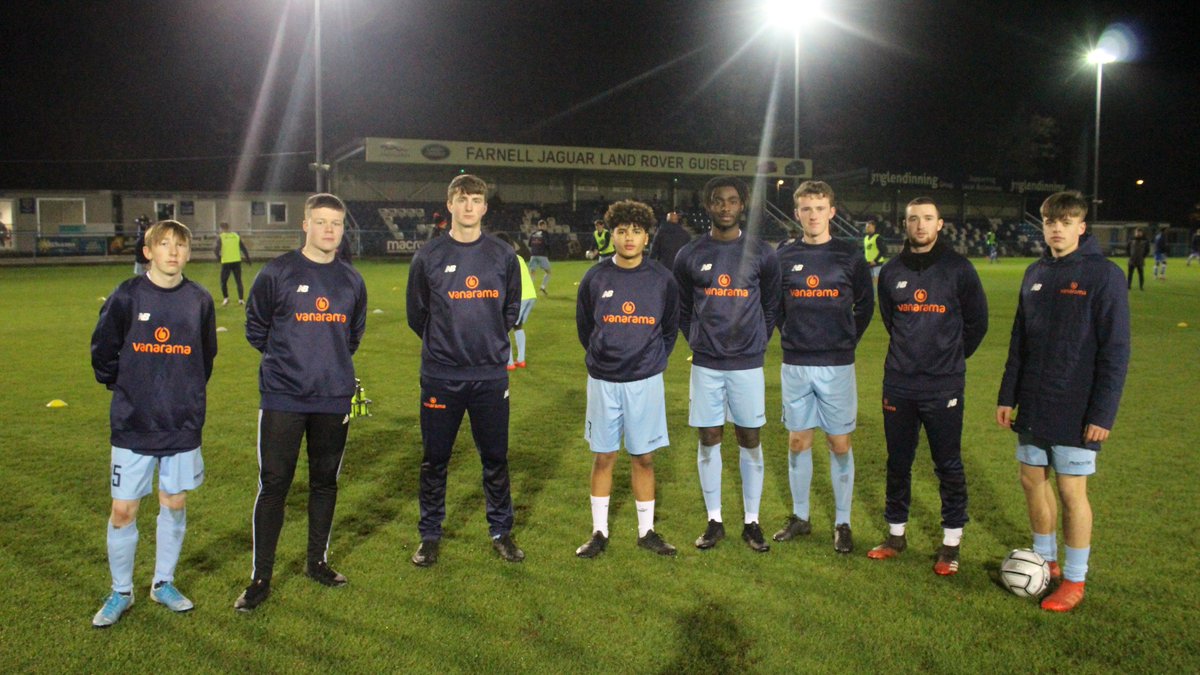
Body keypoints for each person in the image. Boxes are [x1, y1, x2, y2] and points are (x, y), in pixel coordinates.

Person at [996, 191, 1130, 612]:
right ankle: (1047, 561)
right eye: (1051, 221)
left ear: (1081, 226)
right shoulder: (1035, 272)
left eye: (1066, 221)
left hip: (1076, 403)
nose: (1057, 227)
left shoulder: (1103, 275)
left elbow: (1116, 349)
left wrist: (1103, 412)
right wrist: (1007, 394)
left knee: (1072, 490)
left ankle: (1074, 580)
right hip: (1034, 400)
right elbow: (1020, 339)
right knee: (1031, 479)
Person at [235, 193, 368, 611]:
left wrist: (326, 366)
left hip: (332, 396)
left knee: (324, 482)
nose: (330, 230)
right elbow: (256, 328)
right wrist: (289, 364)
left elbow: (352, 337)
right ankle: (260, 577)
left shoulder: (351, 280)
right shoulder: (278, 272)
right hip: (284, 397)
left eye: (337, 224)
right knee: (274, 484)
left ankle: (317, 561)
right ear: (305, 225)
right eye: (321, 222)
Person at [89, 219, 217, 627]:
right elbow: (103, 352)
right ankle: (121, 591)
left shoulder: (199, 299)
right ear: (148, 251)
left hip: (180, 421)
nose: (173, 252)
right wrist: (129, 387)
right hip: (134, 420)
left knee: (174, 503)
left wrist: (186, 394)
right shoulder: (126, 296)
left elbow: (205, 358)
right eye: (164, 244)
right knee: (124, 510)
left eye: (180, 245)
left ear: (188, 252)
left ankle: (163, 583)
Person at [406, 174, 524, 567]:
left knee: (495, 457)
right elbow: (417, 314)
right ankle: (429, 534)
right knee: (434, 459)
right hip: (442, 375)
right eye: (462, 198)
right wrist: (446, 346)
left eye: (476, 199)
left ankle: (501, 531)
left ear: (485, 207)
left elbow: (510, 309)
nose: (470, 205)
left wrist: (488, 343)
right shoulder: (428, 257)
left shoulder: (502, 255)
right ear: (450, 205)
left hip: (490, 376)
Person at [868, 197, 988, 576]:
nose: (920, 225)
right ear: (905, 224)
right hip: (899, 383)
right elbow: (892, 321)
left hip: (943, 386)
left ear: (940, 225)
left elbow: (977, 324)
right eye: (913, 219)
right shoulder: (890, 272)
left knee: (948, 464)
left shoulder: (960, 270)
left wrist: (947, 358)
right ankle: (895, 536)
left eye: (928, 218)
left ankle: (951, 543)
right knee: (898, 462)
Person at [673, 176, 781, 552]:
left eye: (732, 201)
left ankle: (752, 521)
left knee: (749, 438)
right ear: (707, 206)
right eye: (718, 201)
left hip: (747, 364)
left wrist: (757, 341)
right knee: (709, 438)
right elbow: (682, 307)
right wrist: (698, 340)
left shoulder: (763, 253)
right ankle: (715, 520)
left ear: (742, 205)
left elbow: (771, 305)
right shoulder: (689, 254)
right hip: (706, 363)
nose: (725, 207)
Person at [575, 199, 680, 558]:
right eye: (622, 231)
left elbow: (670, 328)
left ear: (647, 236)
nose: (629, 238)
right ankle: (599, 531)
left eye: (636, 231)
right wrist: (602, 354)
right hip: (604, 380)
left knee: (644, 458)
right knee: (604, 457)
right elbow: (585, 327)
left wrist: (652, 360)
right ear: (612, 235)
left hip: (645, 380)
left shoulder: (662, 278)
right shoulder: (596, 276)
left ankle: (646, 531)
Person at [773, 181, 874, 553]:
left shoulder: (849, 256)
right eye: (805, 208)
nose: (813, 215)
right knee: (798, 441)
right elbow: (775, 307)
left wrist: (847, 338)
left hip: (836, 364)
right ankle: (801, 517)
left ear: (832, 211)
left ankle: (842, 522)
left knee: (839, 442)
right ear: (796, 213)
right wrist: (793, 333)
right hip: (797, 362)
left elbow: (865, 305)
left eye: (819, 208)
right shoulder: (783, 256)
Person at [497, 232, 536, 370]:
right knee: (517, 326)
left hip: (520, 297)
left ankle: (509, 363)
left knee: (503, 329)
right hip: (530, 295)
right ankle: (521, 360)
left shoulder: (504, 258)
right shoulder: (517, 256)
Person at [214, 222, 252, 306]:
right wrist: (248, 259)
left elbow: (216, 250)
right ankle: (241, 299)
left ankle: (226, 298)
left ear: (221, 229)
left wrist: (219, 258)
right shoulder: (236, 236)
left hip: (226, 262)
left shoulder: (221, 237)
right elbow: (243, 248)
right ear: (228, 228)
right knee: (238, 281)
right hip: (236, 261)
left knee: (223, 281)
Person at [527, 219, 552, 296]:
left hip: (533, 255)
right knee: (548, 272)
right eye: (544, 225)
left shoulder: (533, 233)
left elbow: (529, 244)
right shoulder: (545, 234)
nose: (545, 227)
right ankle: (543, 287)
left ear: (538, 226)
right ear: (543, 226)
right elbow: (548, 244)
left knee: (532, 273)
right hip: (542, 255)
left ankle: (529, 290)